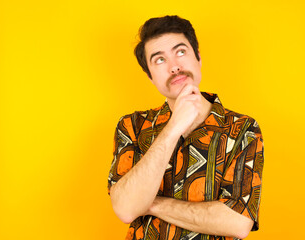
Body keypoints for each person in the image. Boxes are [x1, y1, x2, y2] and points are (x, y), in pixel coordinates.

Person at [108, 15, 264, 240]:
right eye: (159, 60)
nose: (174, 67)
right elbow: (125, 209)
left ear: (198, 57)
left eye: (180, 52)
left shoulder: (242, 129)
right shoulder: (131, 126)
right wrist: (173, 127)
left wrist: (149, 204)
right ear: (150, 76)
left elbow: (238, 222)